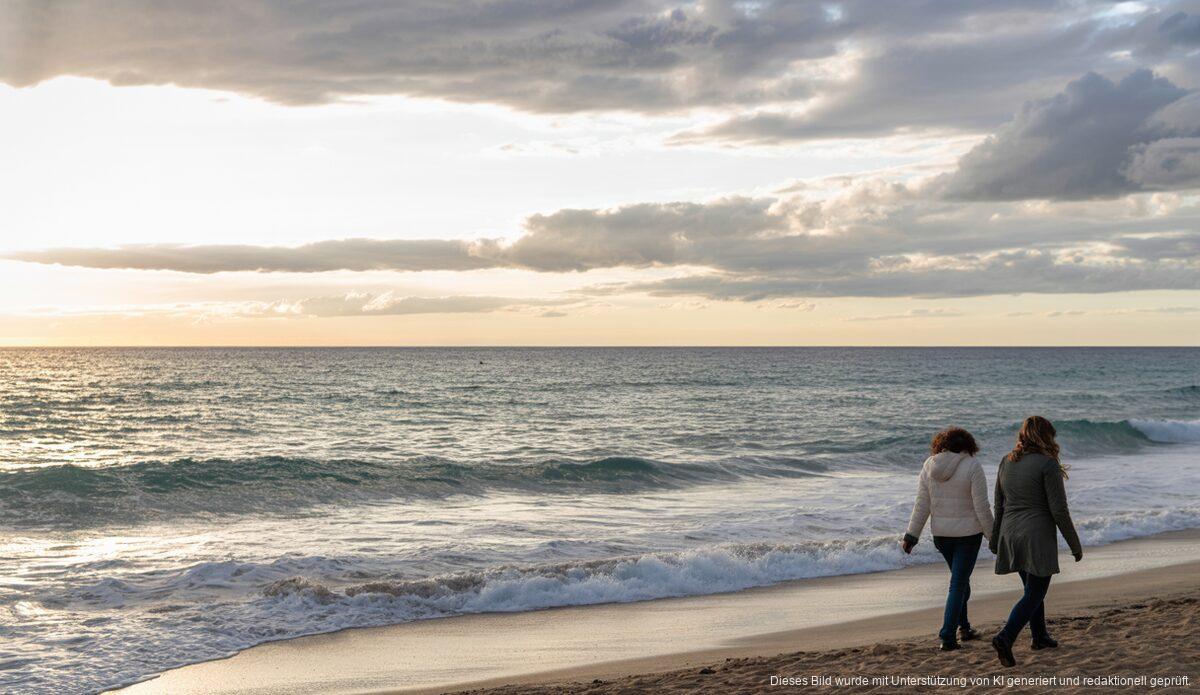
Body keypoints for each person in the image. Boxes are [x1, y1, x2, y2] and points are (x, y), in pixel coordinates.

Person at [989, 416, 1083, 668]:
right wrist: (1074, 544)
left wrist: (996, 539)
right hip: (1036, 536)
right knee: (1035, 592)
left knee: (1030, 590)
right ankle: (1005, 637)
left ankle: (1039, 637)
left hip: (1010, 533)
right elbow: (1059, 510)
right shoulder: (1047, 464)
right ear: (1045, 436)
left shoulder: (1006, 461)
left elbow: (999, 505)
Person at [901, 427, 994, 651]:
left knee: (960, 583)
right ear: (968, 445)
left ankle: (964, 628)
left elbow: (922, 504)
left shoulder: (929, 465)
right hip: (967, 536)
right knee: (959, 585)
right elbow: (981, 506)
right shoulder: (973, 465)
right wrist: (994, 536)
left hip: (942, 536)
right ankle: (948, 636)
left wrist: (911, 535)